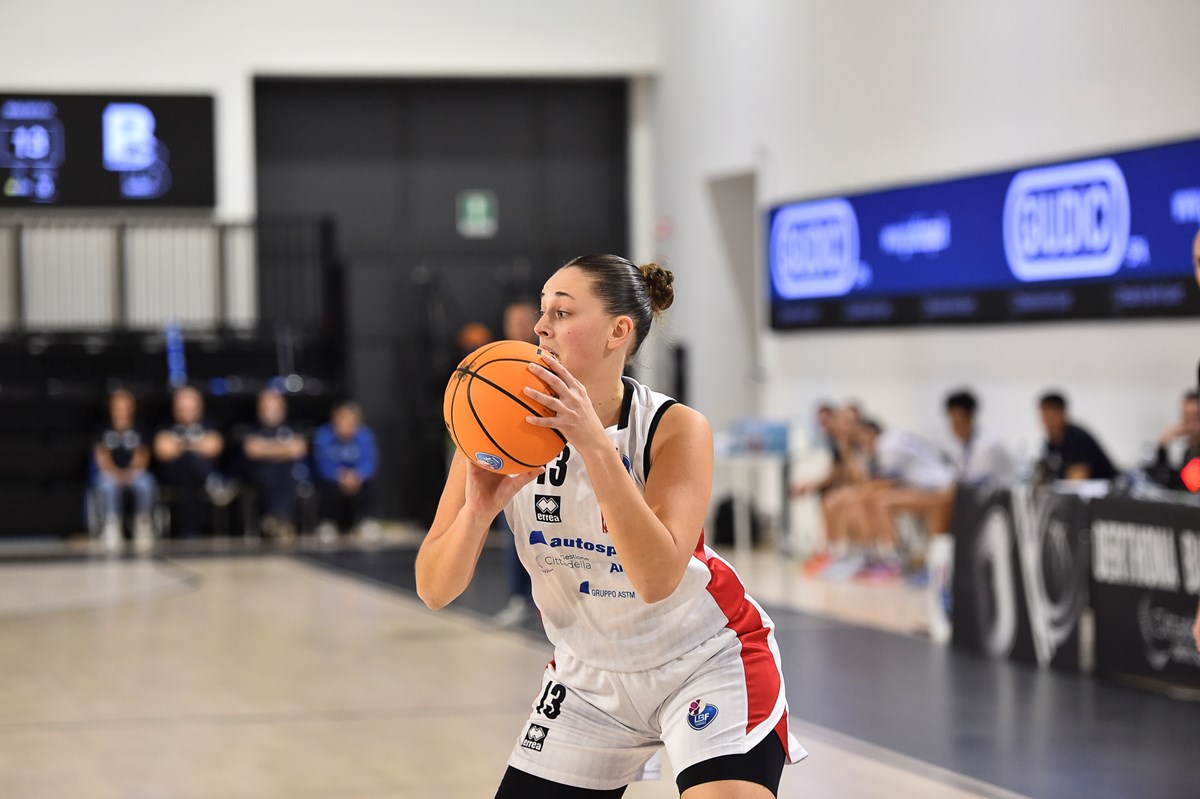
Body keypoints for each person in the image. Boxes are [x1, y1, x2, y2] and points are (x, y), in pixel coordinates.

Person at [416, 255, 805, 798]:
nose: (541, 326)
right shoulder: (493, 421)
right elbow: (434, 589)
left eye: (562, 312)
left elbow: (656, 579)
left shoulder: (674, 428)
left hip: (703, 659)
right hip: (587, 677)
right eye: (542, 311)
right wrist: (477, 513)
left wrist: (593, 444)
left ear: (617, 332)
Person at [492, 297, 541, 628]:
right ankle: (519, 600)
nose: (519, 328)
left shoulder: (551, 364)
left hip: (547, 463)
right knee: (514, 537)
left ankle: (550, 606)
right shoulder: (494, 366)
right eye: (514, 322)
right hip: (511, 465)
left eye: (525, 321)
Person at [154, 386, 226, 538]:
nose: (186, 411)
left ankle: (189, 531)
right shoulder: (166, 426)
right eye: (182, 407)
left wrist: (179, 445)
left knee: (189, 468)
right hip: (172, 474)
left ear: (199, 407)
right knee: (188, 458)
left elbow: (215, 447)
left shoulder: (209, 425)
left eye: (190, 407)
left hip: (193, 477)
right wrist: (194, 446)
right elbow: (162, 451)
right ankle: (214, 481)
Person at [93, 388, 157, 551]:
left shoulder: (139, 429)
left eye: (125, 407)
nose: (121, 411)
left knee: (146, 483)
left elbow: (142, 455)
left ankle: (143, 523)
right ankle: (112, 524)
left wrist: (130, 472)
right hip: (111, 472)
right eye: (118, 407)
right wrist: (115, 473)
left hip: (134, 472)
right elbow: (101, 456)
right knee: (106, 485)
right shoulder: (104, 430)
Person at [243, 388, 308, 541]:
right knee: (269, 473)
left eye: (274, 407)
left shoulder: (292, 427)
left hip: (287, 472)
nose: (271, 412)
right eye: (267, 407)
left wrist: (266, 449)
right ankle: (281, 520)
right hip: (259, 473)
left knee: (288, 475)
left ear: (283, 408)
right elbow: (251, 450)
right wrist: (283, 449)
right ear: (259, 409)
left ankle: (274, 519)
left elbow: (299, 449)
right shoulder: (253, 429)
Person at [312, 401, 380, 544]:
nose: (344, 424)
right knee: (325, 484)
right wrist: (340, 475)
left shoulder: (365, 436)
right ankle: (327, 523)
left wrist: (358, 474)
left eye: (349, 420)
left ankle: (367, 522)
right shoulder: (324, 435)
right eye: (341, 419)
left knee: (371, 483)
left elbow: (369, 462)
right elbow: (322, 464)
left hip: (356, 479)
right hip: (334, 479)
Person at [1035, 392, 1117, 482]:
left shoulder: (1078, 438)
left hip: (1107, 488)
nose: (1047, 422)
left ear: (1062, 413)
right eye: (1044, 416)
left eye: (1051, 416)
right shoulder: (1051, 443)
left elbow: (1076, 481)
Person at [943, 389, 1016, 486]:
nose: (955, 428)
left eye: (959, 422)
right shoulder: (961, 446)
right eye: (952, 422)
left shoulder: (989, 445)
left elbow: (975, 482)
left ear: (971, 417)